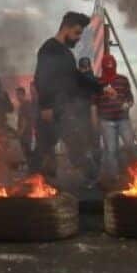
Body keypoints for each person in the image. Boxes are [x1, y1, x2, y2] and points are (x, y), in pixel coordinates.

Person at [34, 12, 102, 182]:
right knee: (46, 153)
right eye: (77, 33)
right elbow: (41, 77)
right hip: (52, 110)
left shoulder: (66, 54)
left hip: (65, 109)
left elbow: (77, 77)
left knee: (76, 147)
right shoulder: (49, 48)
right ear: (66, 28)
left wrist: (101, 87)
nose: (78, 38)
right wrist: (46, 106)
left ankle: (92, 181)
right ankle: (43, 187)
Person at [94, 54, 135, 184]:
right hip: (106, 121)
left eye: (111, 64)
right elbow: (94, 103)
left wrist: (127, 104)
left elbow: (130, 98)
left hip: (123, 120)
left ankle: (133, 173)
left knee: (130, 146)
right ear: (103, 66)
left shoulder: (123, 80)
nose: (109, 67)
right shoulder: (98, 83)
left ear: (115, 65)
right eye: (107, 65)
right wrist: (95, 120)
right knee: (111, 150)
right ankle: (114, 178)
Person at [15, 85, 36, 173]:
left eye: (18, 95)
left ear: (22, 94)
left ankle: (32, 170)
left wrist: (20, 132)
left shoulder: (25, 105)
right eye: (16, 95)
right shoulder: (23, 105)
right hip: (26, 133)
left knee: (27, 151)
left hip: (26, 133)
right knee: (26, 152)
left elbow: (25, 120)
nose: (17, 97)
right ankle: (31, 169)